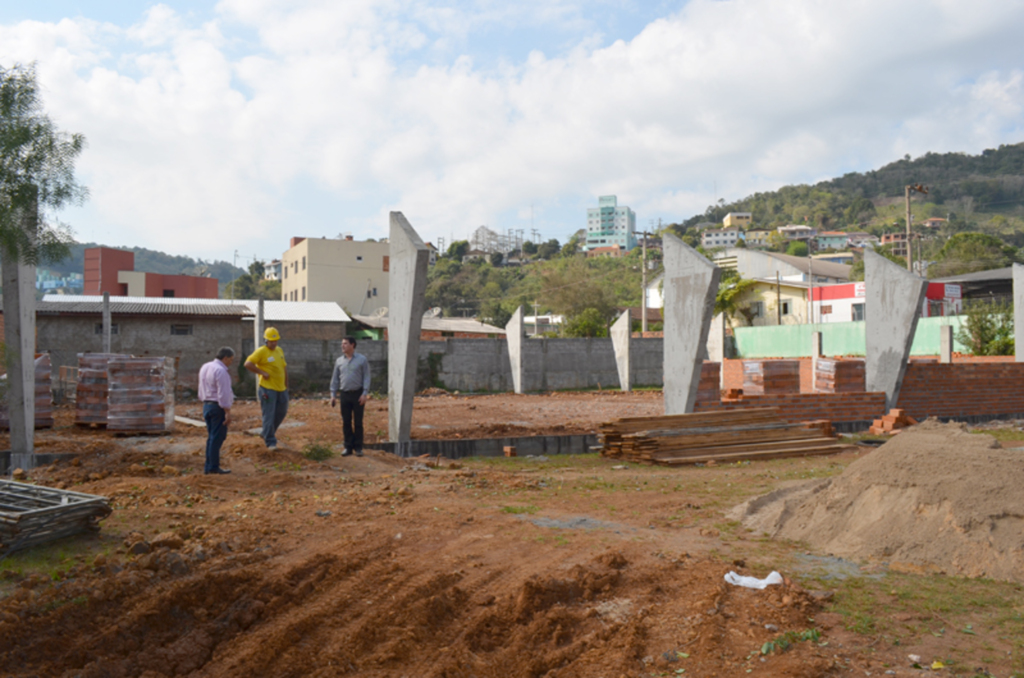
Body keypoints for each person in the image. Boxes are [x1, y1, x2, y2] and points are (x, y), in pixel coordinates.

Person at [245, 327, 289, 449]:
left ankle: (266, 433)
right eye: (271, 341)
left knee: (281, 412)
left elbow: (284, 368)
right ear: (266, 341)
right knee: (269, 414)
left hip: (281, 389)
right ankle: (270, 441)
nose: (274, 343)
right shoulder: (261, 352)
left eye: (275, 341)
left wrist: (286, 385)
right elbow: (248, 363)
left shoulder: (279, 350)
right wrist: (261, 372)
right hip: (268, 389)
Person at [329, 336, 371, 457]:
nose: (343, 346)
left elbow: (367, 377)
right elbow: (335, 379)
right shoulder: (339, 361)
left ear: (352, 345)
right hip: (345, 394)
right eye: (342, 343)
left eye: (345, 343)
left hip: (358, 394)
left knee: (358, 422)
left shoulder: (362, 360)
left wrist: (364, 394)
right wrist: (333, 395)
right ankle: (348, 447)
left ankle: (358, 447)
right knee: (346, 421)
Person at [197, 346, 235, 474]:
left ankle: (209, 466)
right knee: (217, 437)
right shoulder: (221, 371)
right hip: (217, 407)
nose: (231, 362)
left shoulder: (205, 367)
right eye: (230, 359)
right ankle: (212, 467)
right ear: (225, 358)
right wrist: (227, 412)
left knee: (211, 437)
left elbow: (201, 387)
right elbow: (223, 394)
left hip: (206, 405)